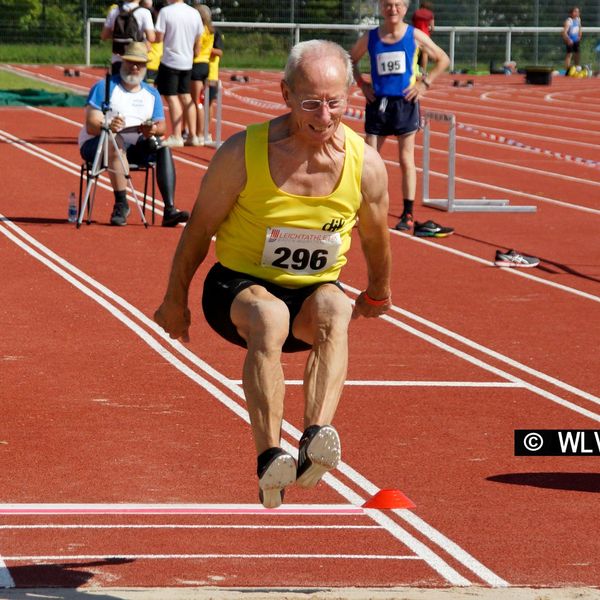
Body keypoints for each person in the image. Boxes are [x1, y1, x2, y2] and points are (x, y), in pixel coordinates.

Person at [154, 40, 392, 508]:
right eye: (310, 103)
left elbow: (376, 236)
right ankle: (269, 457)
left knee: (334, 307)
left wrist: (379, 290)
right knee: (270, 318)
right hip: (237, 288)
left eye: (334, 102)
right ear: (285, 95)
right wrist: (174, 300)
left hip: (311, 292)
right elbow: (199, 230)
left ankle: (316, 436)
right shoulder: (243, 152)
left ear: (349, 97)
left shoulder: (366, 165)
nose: (324, 116)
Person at [350, 0, 453, 237]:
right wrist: (362, 85)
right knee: (369, 161)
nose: (392, 9)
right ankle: (363, 209)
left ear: (405, 9)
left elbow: (443, 58)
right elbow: (350, 59)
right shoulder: (371, 37)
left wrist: (424, 84)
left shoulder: (414, 35)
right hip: (378, 103)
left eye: (397, 5)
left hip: (405, 103)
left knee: (406, 159)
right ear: (381, 8)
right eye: (387, 4)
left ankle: (407, 213)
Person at [78, 42, 189, 227]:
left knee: (163, 148)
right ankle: (121, 204)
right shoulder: (105, 86)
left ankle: (169, 210)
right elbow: (91, 124)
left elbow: (162, 127)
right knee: (116, 140)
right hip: (99, 144)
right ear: (123, 62)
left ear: (146, 66)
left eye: (139, 64)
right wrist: (108, 125)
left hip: (135, 144)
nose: (135, 67)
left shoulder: (152, 93)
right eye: (130, 62)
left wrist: (151, 129)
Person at [155, 0, 204, 147]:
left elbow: (159, 38)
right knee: (186, 96)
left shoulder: (166, 12)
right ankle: (193, 135)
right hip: (187, 61)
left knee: (171, 97)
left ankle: (177, 135)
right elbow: (198, 39)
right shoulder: (194, 13)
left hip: (170, 60)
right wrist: (193, 54)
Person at [101, 0, 156, 75]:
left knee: (117, 84)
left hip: (117, 58)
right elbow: (151, 38)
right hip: (136, 59)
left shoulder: (114, 11)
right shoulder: (144, 12)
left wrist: (118, 36)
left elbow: (104, 36)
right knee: (136, 85)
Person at [190, 4, 215, 143]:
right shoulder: (210, 30)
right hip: (206, 65)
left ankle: (199, 133)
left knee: (196, 102)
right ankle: (202, 131)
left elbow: (197, 51)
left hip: (197, 64)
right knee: (201, 100)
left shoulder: (200, 31)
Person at [411, 1, 435, 73]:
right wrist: (429, 32)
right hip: (425, 36)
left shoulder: (416, 13)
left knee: (414, 53)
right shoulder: (430, 14)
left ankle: (413, 69)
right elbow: (432, 27)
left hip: (416, 35)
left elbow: (413, 25)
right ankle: (423, 71)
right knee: (425, 53)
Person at [563, 7, 582, 73]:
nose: (577, 13)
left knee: (577, 54)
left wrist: (579, 36)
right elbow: (564, 32)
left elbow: (580, 28)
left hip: (576, 40)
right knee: (569, 55)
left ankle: (577, 69)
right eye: (575, 11)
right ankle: (567, 70)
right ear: (571, 13)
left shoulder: (578, 19)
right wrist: (568, 40)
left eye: (578, 12)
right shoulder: (569, 21)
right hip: (570, 40)